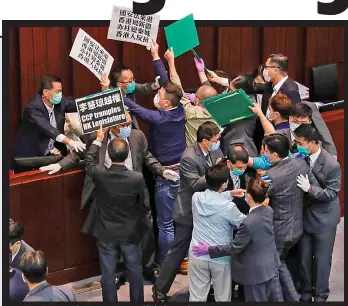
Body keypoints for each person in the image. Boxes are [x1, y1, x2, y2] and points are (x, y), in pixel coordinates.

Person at [40, 111, 178, 283]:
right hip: (109, 193)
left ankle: (147, 268)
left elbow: (147, 158)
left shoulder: (137, 135)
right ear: (113, 125)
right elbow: (79, 153)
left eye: (129, 124)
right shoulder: (97, 137)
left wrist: (162, 170)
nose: (128, 128)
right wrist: (60, 165)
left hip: (136, 192)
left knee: (146, 229)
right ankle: (119, 273)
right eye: (123, 125)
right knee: (113, 235)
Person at [123, 42, 185, 266]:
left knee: (165, 223)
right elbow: (166, 82)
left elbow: (132, 107)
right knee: (179, 219)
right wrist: (155, 55)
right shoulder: (179, 107)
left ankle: (164, 263)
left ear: (165, 102)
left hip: (166, 175)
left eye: (158, 93)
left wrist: (115, 93)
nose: (156, 94)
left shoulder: (159, 117)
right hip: (182, 170)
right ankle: (180, 258)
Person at [152, 121, 224, 302]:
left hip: (208, 210)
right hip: (189, 212)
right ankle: (159, 289)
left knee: (206, 251)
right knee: (178, 251)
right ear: (206, 141)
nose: (218, 142)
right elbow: (194, 184)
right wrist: (215, 171)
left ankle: (206, 288)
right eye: (215, 139)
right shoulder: (189, 157)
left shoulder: (216, 151)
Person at [192, 173, 283, 302]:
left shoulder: (248, 222)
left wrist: (209, 249)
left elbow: (234, 248)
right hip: (269, 266)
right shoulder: (268, 210)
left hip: (254, 274)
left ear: (249, 196)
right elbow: (255, 229)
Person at [84, 130, 147, 302]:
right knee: (135, 271)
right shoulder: (136, 177)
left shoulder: (99, 173)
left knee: (108, 274)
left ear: (109, 156)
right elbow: (142, 203)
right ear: (127, 155)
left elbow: (88, 160)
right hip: (130, 231)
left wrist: (98, 140)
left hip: (105, 231)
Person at [294, 124, 341, 302]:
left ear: (312, 142)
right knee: (304, 259)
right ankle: (306, 292)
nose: (297, 145)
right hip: (305, 216)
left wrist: (310, 189)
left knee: (321, 260)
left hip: (324, 219)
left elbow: (331, 193)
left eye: (300, 142)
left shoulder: (331, 164)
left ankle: (321, 295)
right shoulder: (301, 156)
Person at [188, 163, 246, 302]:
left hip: (197, 254)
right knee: (223, 297)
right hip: (220, 257)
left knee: (196, 297)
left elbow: (213, 199)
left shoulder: (196, 198)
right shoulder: (229, 207)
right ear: (225, 183)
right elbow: (245, 223)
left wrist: (229, 194)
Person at [263, 133, 310, 301]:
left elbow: (260, 199)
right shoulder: (301, 164)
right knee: (279, 262)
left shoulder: (271, 176)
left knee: (272, 269)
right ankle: (293, 299)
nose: (265, 155)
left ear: (275, 155)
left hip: (278, 232)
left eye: (266, 152)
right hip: (297, 228)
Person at [12, 76, 85, 159]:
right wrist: (71, 142)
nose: (60, 95)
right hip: (31, 155)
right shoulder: (33, 108)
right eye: (57, 92)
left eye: (61, 91)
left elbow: (78, 105)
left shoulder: (60, 102)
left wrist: (102, 95)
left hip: (53, 151)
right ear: (46, 93)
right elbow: (48, 128)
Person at [164, 50, 218, 147]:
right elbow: (209, 94)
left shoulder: (191, 112)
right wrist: (201, 72)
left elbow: (177, 88)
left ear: (197, 100)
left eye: (196, 95)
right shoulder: (220, 111)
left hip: (193, 154)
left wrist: (171, 62)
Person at [253, 53, 301, 151]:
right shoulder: (270, 85)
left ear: (275, 69)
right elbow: (254, 87)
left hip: (279, 141)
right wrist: (222, 81)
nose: (264, 71)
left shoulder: (291, 90)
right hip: (263, 137)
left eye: (266, 67)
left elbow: (295, 118)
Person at [226, 144, 250, 215]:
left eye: (244, 167)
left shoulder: (247, 171)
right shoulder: (220, 176)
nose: (242, 170)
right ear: (229, 163)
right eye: (239, 167)